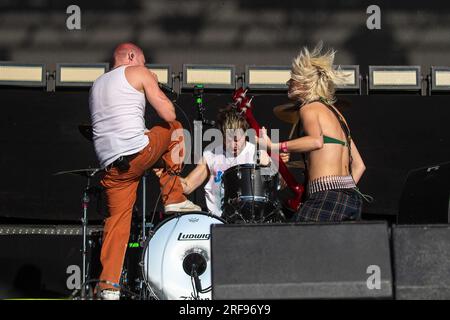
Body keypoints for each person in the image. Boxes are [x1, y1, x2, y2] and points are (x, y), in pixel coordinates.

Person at [89, 42, 200, 300]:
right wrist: (153, 82)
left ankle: (108, 288)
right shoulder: (139, 72)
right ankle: (173, 198)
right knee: (175, 128)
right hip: (138, 153)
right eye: (143, 59)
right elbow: (168, 111)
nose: (146, 65)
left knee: (116, 225)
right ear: (131, 56)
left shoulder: (97, 84)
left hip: (112, 168)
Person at [259, 43, 366, 222]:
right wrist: (343, 192)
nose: (288, 84)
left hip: (326, 196)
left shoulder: (308, 108)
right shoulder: (337, 114)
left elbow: (316, 141)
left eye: (292, 80)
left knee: (293, 242)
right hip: (351, 197)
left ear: (304, 82)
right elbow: (360, 165)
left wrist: (274, 146)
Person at [155, 105, 288, 217]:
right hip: (218, 220)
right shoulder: (211, 153)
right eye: (230, 139)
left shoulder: (256, 151)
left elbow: (281, 185)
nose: (234, 143)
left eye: (238, 138)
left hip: (251, 218)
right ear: (222, 136)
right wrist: (167, 176)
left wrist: (271, 165)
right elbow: (188, 186)